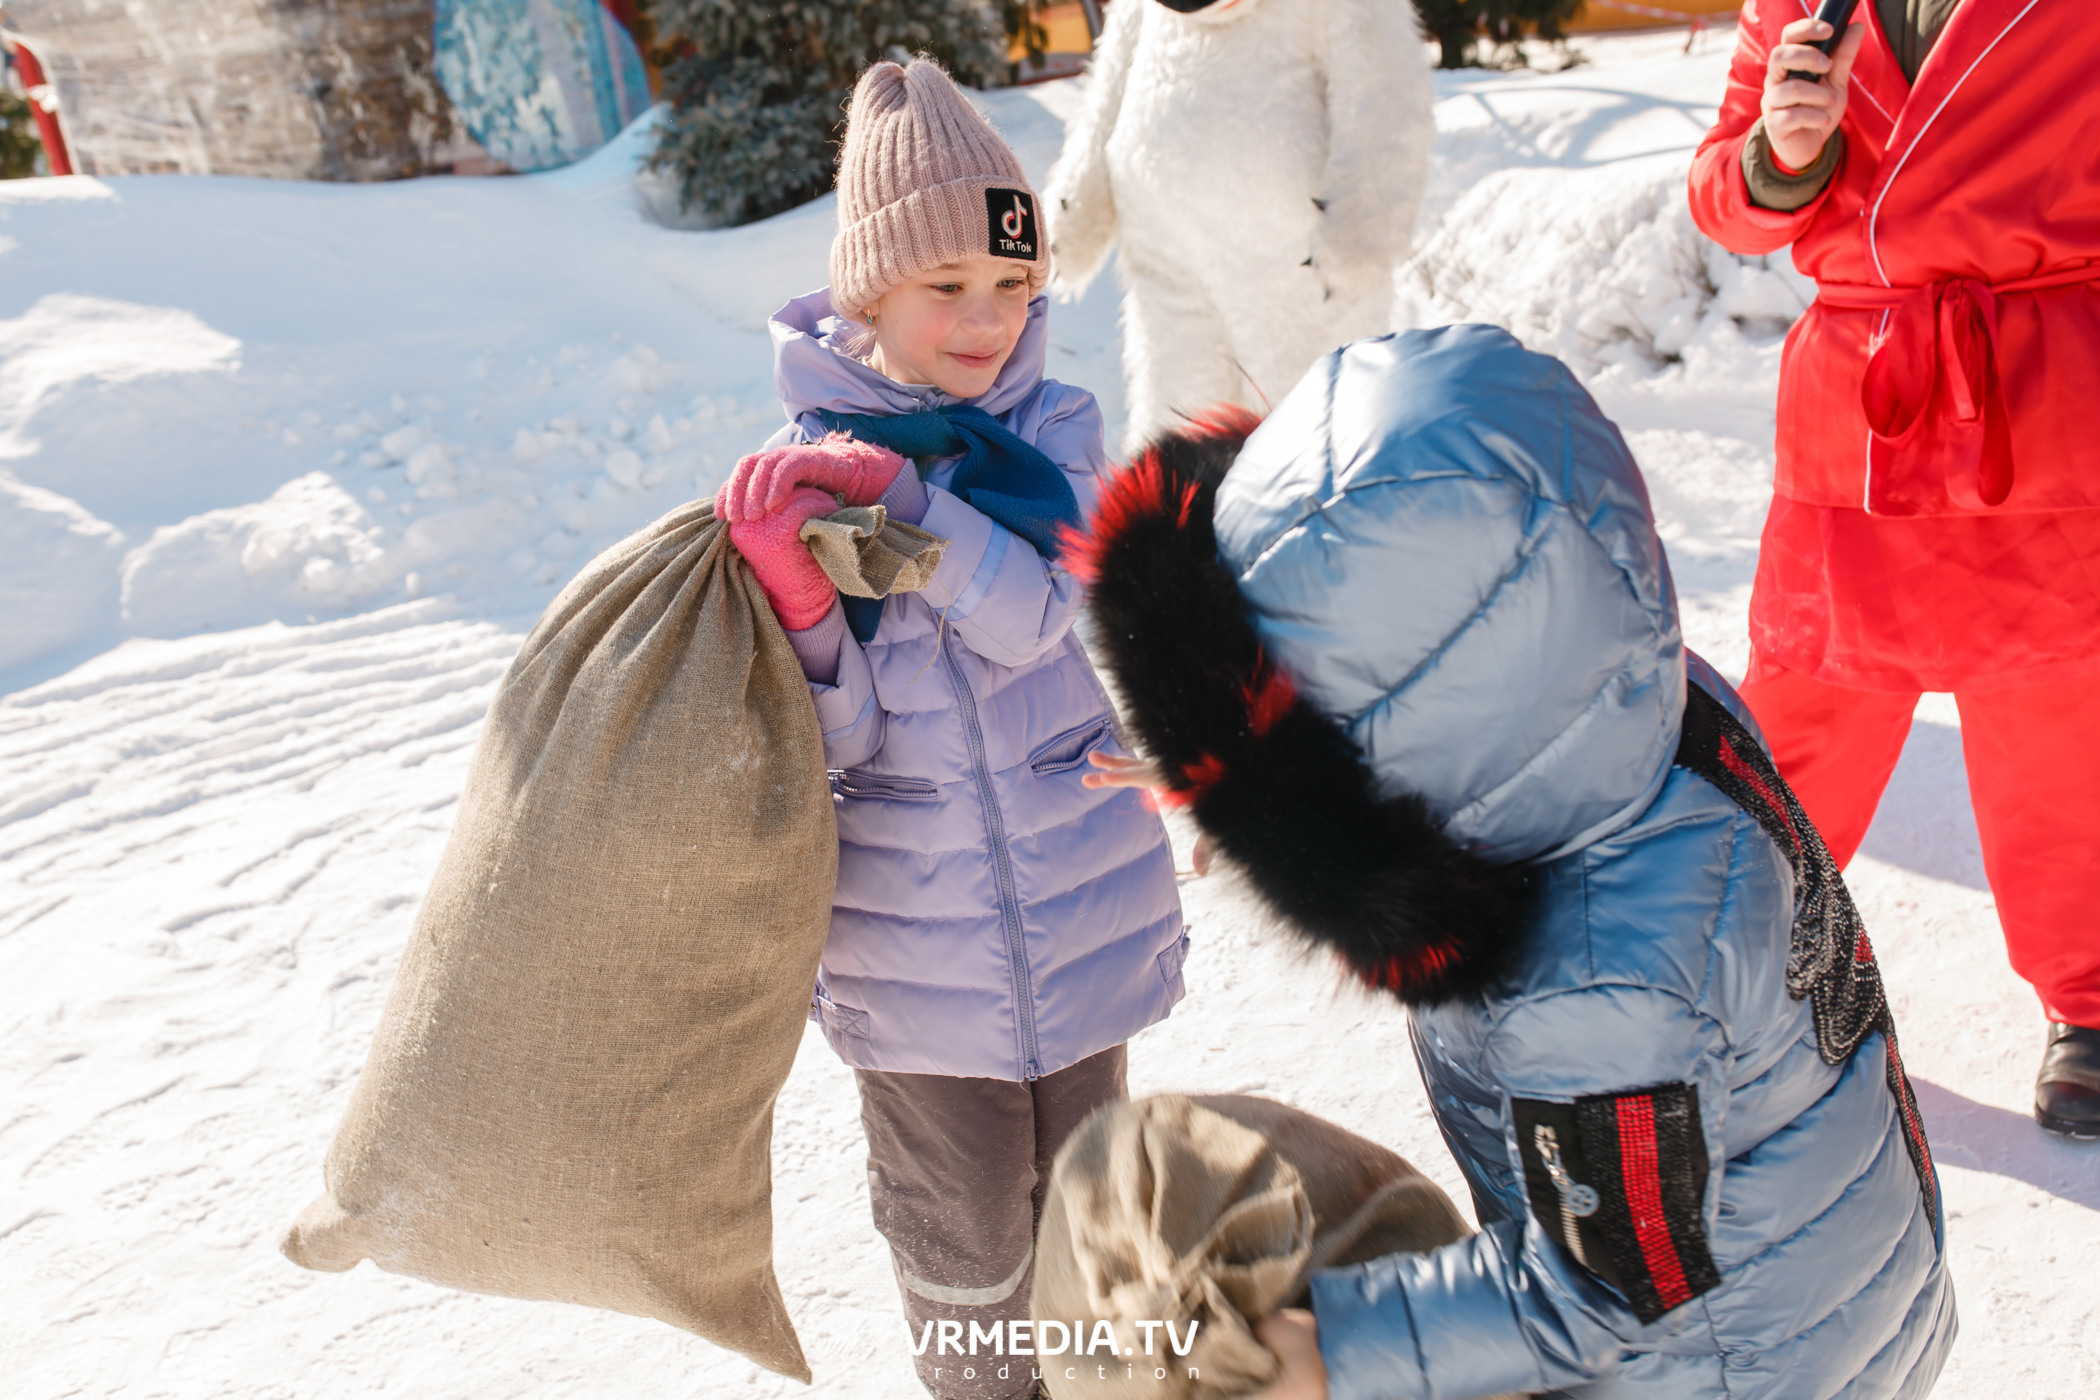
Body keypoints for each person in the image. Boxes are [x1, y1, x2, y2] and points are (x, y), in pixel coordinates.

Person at [1076, 328, 1955, 1400]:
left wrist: (1325, 1348)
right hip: (1844, 1258)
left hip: (1741, 1364)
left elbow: (1598, 1295)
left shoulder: (1594, 978)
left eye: (1288, 731)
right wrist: (1268, 782)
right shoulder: (1643, 700)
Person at [713, 58, 1185, 1400]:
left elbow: (1039, 617)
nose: (989, 322)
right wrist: (804, 603)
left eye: (1014, 287)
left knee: (1091, 1233)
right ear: (869, 292)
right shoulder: (816, 466)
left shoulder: (1056, 434)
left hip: (1081, 915)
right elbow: (837, 748)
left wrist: (907, 507)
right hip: (913, 961)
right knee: (968, 1252)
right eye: (948, 288)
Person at [1687, 2, 2100, 1136]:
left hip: (2042, 388)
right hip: (1856, 406)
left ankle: (2094, 1002)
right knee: (1799, 724)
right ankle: (1726, 985)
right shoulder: (1795, 5)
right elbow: (1723, 196)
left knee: (2061, 729)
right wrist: (1782, 154)